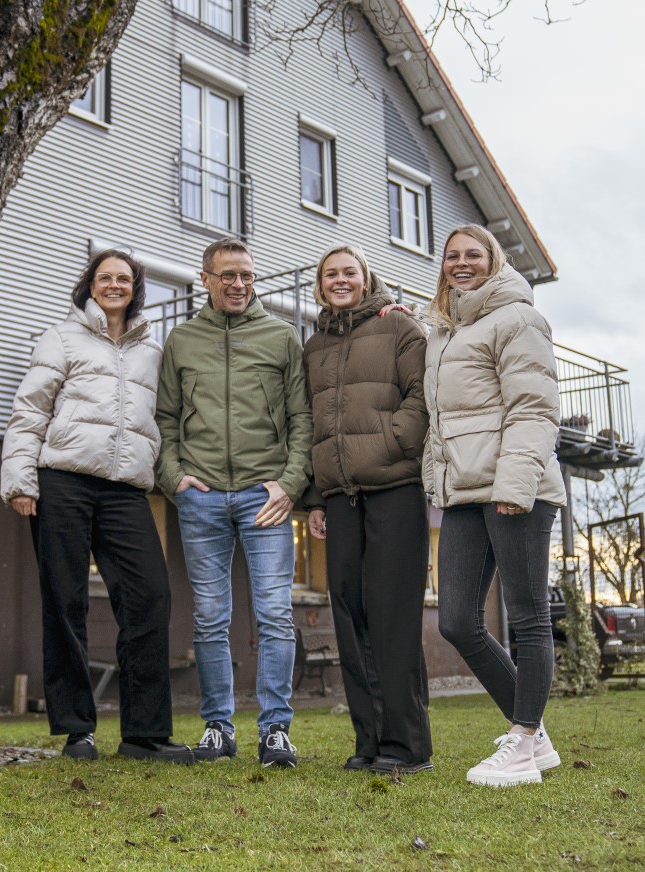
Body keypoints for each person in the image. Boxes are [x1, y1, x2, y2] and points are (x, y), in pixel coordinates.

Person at [1, 249, 193, 764]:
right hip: (61, 480)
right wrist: (20, 481)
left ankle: (144, 735)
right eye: (105, 277)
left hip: (126, 490)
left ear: (136, 287)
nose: (114, 285)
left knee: (149, 596)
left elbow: (167, 417)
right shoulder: (62, 337)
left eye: (123, 279)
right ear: (90, 285)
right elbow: (30, 410)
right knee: (66, 601)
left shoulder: (152, 350)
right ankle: (76, 731)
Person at [155, 236, 313, 767]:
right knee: (209, 618)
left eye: (246, 274)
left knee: (273, 613)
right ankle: (218, 729)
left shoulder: (281, 337)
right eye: (227, 275)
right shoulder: (181, 341)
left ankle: (275, 732)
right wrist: (172, 477)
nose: (239, 284)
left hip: (263, 496)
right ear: (206, 279)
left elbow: (301, 420)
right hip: (200, 501)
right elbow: (164, 420)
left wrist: (290, 484)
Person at [424, 223, 567, 786]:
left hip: (517, 490)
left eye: (473, 255)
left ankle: (526, 742)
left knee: (528, 617)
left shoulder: (519, 319)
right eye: (452, 256)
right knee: (457, 621)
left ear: (494, 260)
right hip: (463, 493)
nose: (462, 263)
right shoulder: (445, 330)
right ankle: (531, 729)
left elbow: (534, 407)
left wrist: (515, 485)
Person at [302, 244, 433, 775]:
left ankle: (407, 746)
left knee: (393, 617)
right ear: (320, 284)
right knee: (350, 615)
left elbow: (424, 396)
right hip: (339, 497)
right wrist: (315, 495)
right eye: (330, 273)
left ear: (365, 277)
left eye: (349, 272)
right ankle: (369, 741)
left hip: (394, 486)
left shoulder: (400, 328)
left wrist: (392, 441)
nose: (340, 280)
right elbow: (311, 421)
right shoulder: (313, 346)